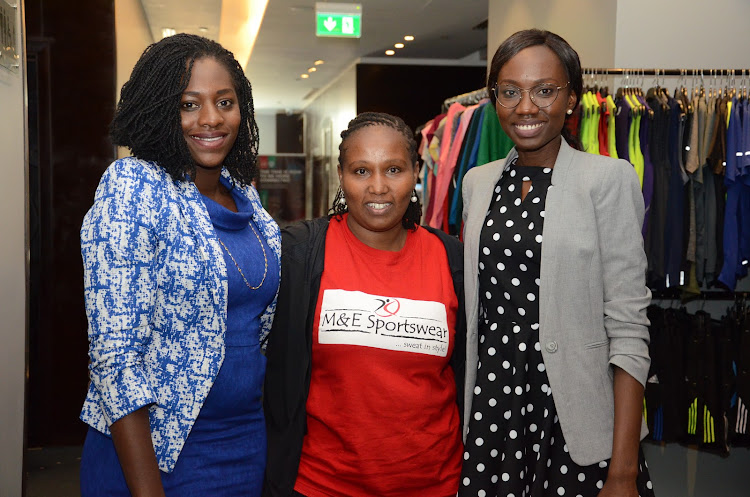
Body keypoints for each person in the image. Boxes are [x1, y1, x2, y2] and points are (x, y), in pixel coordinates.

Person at [78, 33, 280, 496]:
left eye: (224, 101)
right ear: (160, 110)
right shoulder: (134, 185)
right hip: (156, 452)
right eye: (189, 104)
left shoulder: (244, 193)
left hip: (244, 442)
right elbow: (115, 357)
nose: (211, 118)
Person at [459, 29, 655, 497]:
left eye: (545, 91)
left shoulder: (608, 180)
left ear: (571, 98)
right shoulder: (478, 183)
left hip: (576, 421)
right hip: (493, 409)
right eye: (510, 92)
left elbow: (628, 328)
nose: (526, 107)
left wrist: (623, 470)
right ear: (494, 99)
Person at [263, 112, 465, 497]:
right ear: (341, 175)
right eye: (361, 171)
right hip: (323, 485)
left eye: (393, 169)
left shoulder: (452, 259)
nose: (378, 187)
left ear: (417, 171)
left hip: (435, 486)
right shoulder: (300, 254)